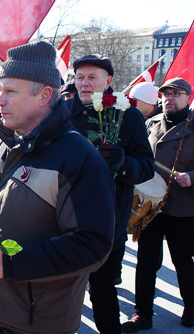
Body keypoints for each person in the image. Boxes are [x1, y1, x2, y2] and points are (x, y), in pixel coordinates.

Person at [0, 41, 115, 334]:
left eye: (10, 92)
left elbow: (92, 245)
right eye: (0, 89)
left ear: (45, 95)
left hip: (38, 323)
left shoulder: (78, 157)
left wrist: (10, 263)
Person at [66, 54, 154, 334]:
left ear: (108, 81)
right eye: (79, 77)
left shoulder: (127, 115)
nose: (84, 83)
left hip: (107, 223)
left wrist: (122, 163)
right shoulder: (62, 112)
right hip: (64, 220)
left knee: (102, 293)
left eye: (92, 77)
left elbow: (146, 168)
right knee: (61, 294)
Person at [122, 77, 194, 332]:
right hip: (151, 206)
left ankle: (191, 306)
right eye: (165, 94)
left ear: (189, 97)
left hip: (182, 208)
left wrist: (192, 178)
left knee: (183, 261)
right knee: (146, 261)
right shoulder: (151, 123)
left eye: (176, 94)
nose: (169, 99)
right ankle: (142, 314)